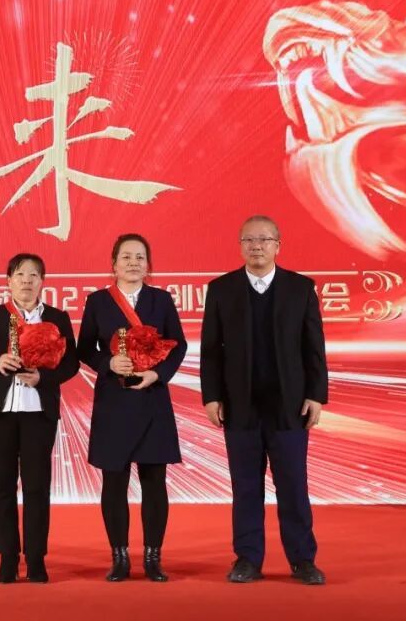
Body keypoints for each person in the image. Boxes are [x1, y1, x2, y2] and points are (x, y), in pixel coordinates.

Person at [200, 215, 328, 585]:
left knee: (293, 485)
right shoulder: (222, 289)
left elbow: (313, 347)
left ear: (277, 245)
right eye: (249, 240)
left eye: (264, 239)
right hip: (239, 405)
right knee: (245, 487)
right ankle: (247, 558)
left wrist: (316, 395)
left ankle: (302, 559)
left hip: (289, 406)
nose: (257, 246)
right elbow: (211, 350)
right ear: (240, 246)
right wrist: (212, 396)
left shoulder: (300, 288)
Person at [78, 233, 187, 582]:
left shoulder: (161, 300)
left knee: (155, 482)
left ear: (148, 264)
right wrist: (108, 363)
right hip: (114, 401)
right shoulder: (98, 301)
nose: (133, 263)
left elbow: (179, 346)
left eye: (140, 257)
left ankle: (153, 557)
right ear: (114, 264)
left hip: (152, 398)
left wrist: (158, 374)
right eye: (126, 257)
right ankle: (120, 557)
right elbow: (84, 349)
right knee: (114, 482)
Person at [0, 253, 80, 584]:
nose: (27, 281)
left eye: (34, 275)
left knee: (36, 487)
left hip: (39, 412)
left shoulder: (57, 318)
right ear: (8, 281)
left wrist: (43, 378)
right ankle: (7, 557)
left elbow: (71, 363)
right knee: (2, 485)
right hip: (0, 412)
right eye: (20, 275)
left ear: (42, 281)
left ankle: (35, 558)